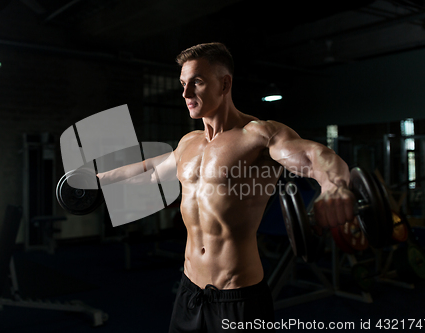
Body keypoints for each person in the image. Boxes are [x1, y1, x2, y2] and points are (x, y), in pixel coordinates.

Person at [98, 42, 355, 332]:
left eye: (196, 82)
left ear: (225, 83)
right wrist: (98, 181)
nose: (185, 94)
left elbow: (314, 155)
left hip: (238, 298)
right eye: (182, 84)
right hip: (189, 291)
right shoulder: (188, 143)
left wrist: (333, 185)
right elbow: (151, 169)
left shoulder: (258, 135)